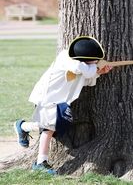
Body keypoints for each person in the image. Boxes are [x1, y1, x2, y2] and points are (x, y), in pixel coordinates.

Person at [14, 36, 112, 174]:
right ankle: (40, 162)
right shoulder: (66, 58)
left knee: (54, 126)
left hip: (60, 100)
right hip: (47, 97)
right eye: (93, 60)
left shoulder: (83, 66)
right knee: (48, 128)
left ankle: (22, 126)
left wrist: (99, 72)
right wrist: (95, 66)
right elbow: (81, 69)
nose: (95, 62)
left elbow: (87, 79)